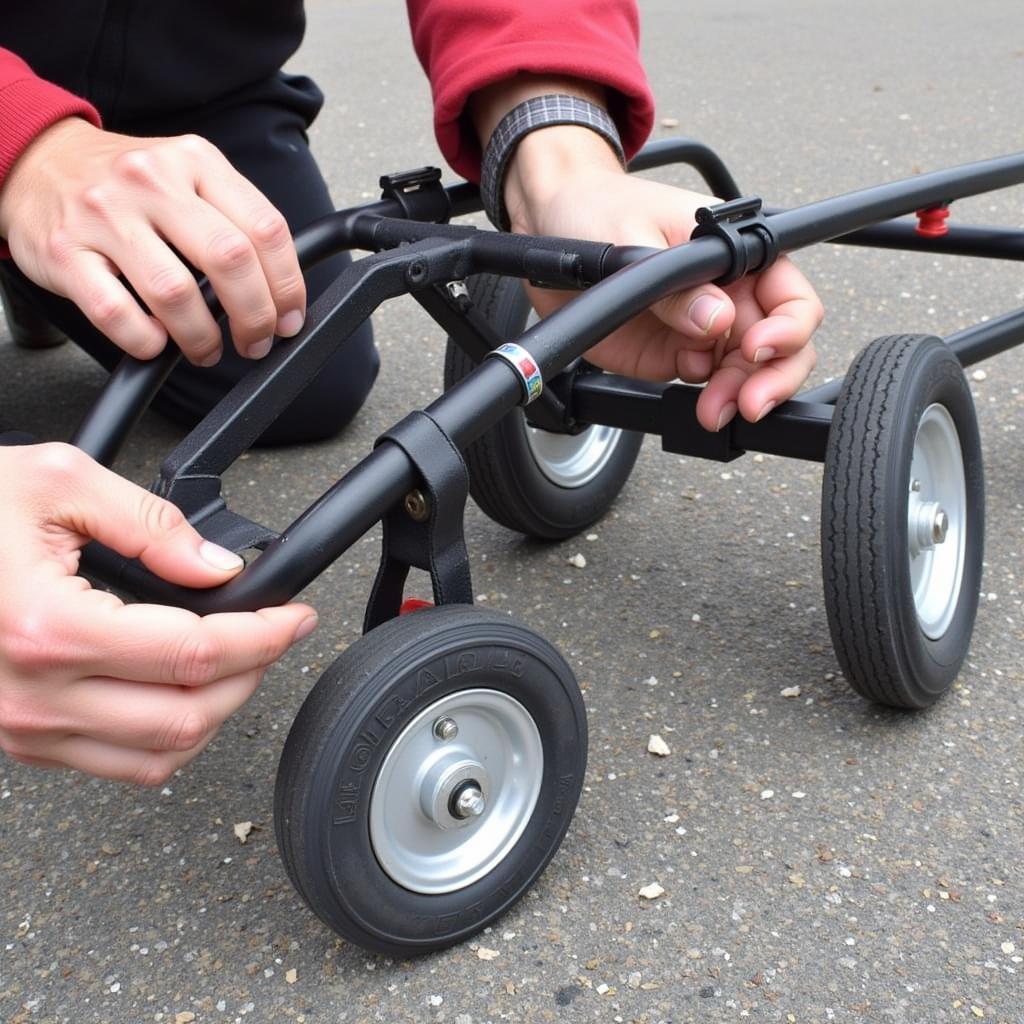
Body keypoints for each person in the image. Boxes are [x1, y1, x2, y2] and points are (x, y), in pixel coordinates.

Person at [0, 0, 823, 785]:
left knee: (307, 378)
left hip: (187, 98)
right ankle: (34, 253)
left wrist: (558, 153)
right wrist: (26, 148)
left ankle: (53, 288)